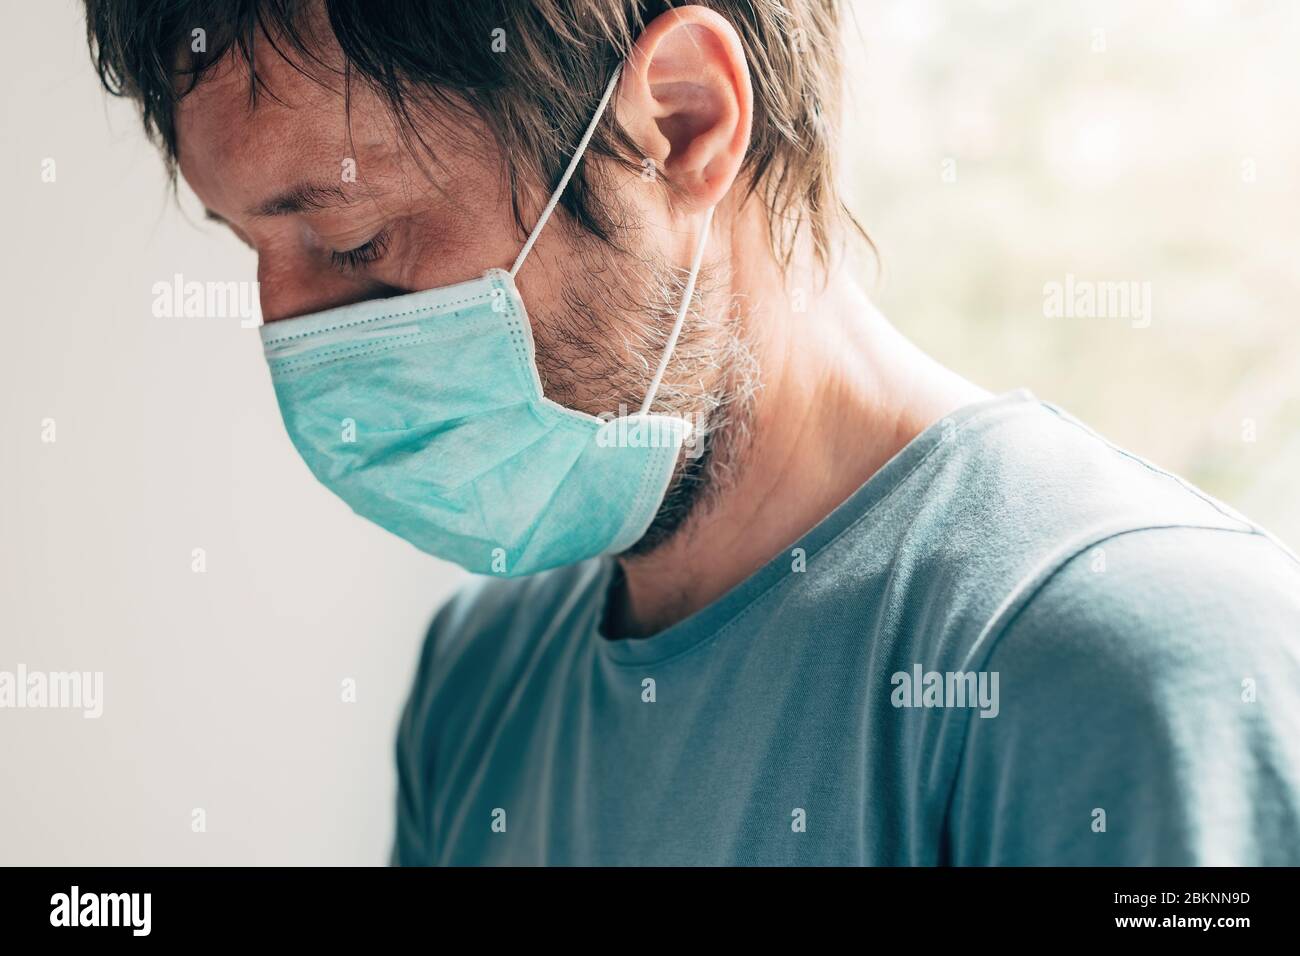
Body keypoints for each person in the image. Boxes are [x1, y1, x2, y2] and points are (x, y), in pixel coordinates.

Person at [83, 0, 1300, 865]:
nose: (293, 333)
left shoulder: (1123, 661)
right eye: (254, 250)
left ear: (678, 122)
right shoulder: (478, 686)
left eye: (353, 242)